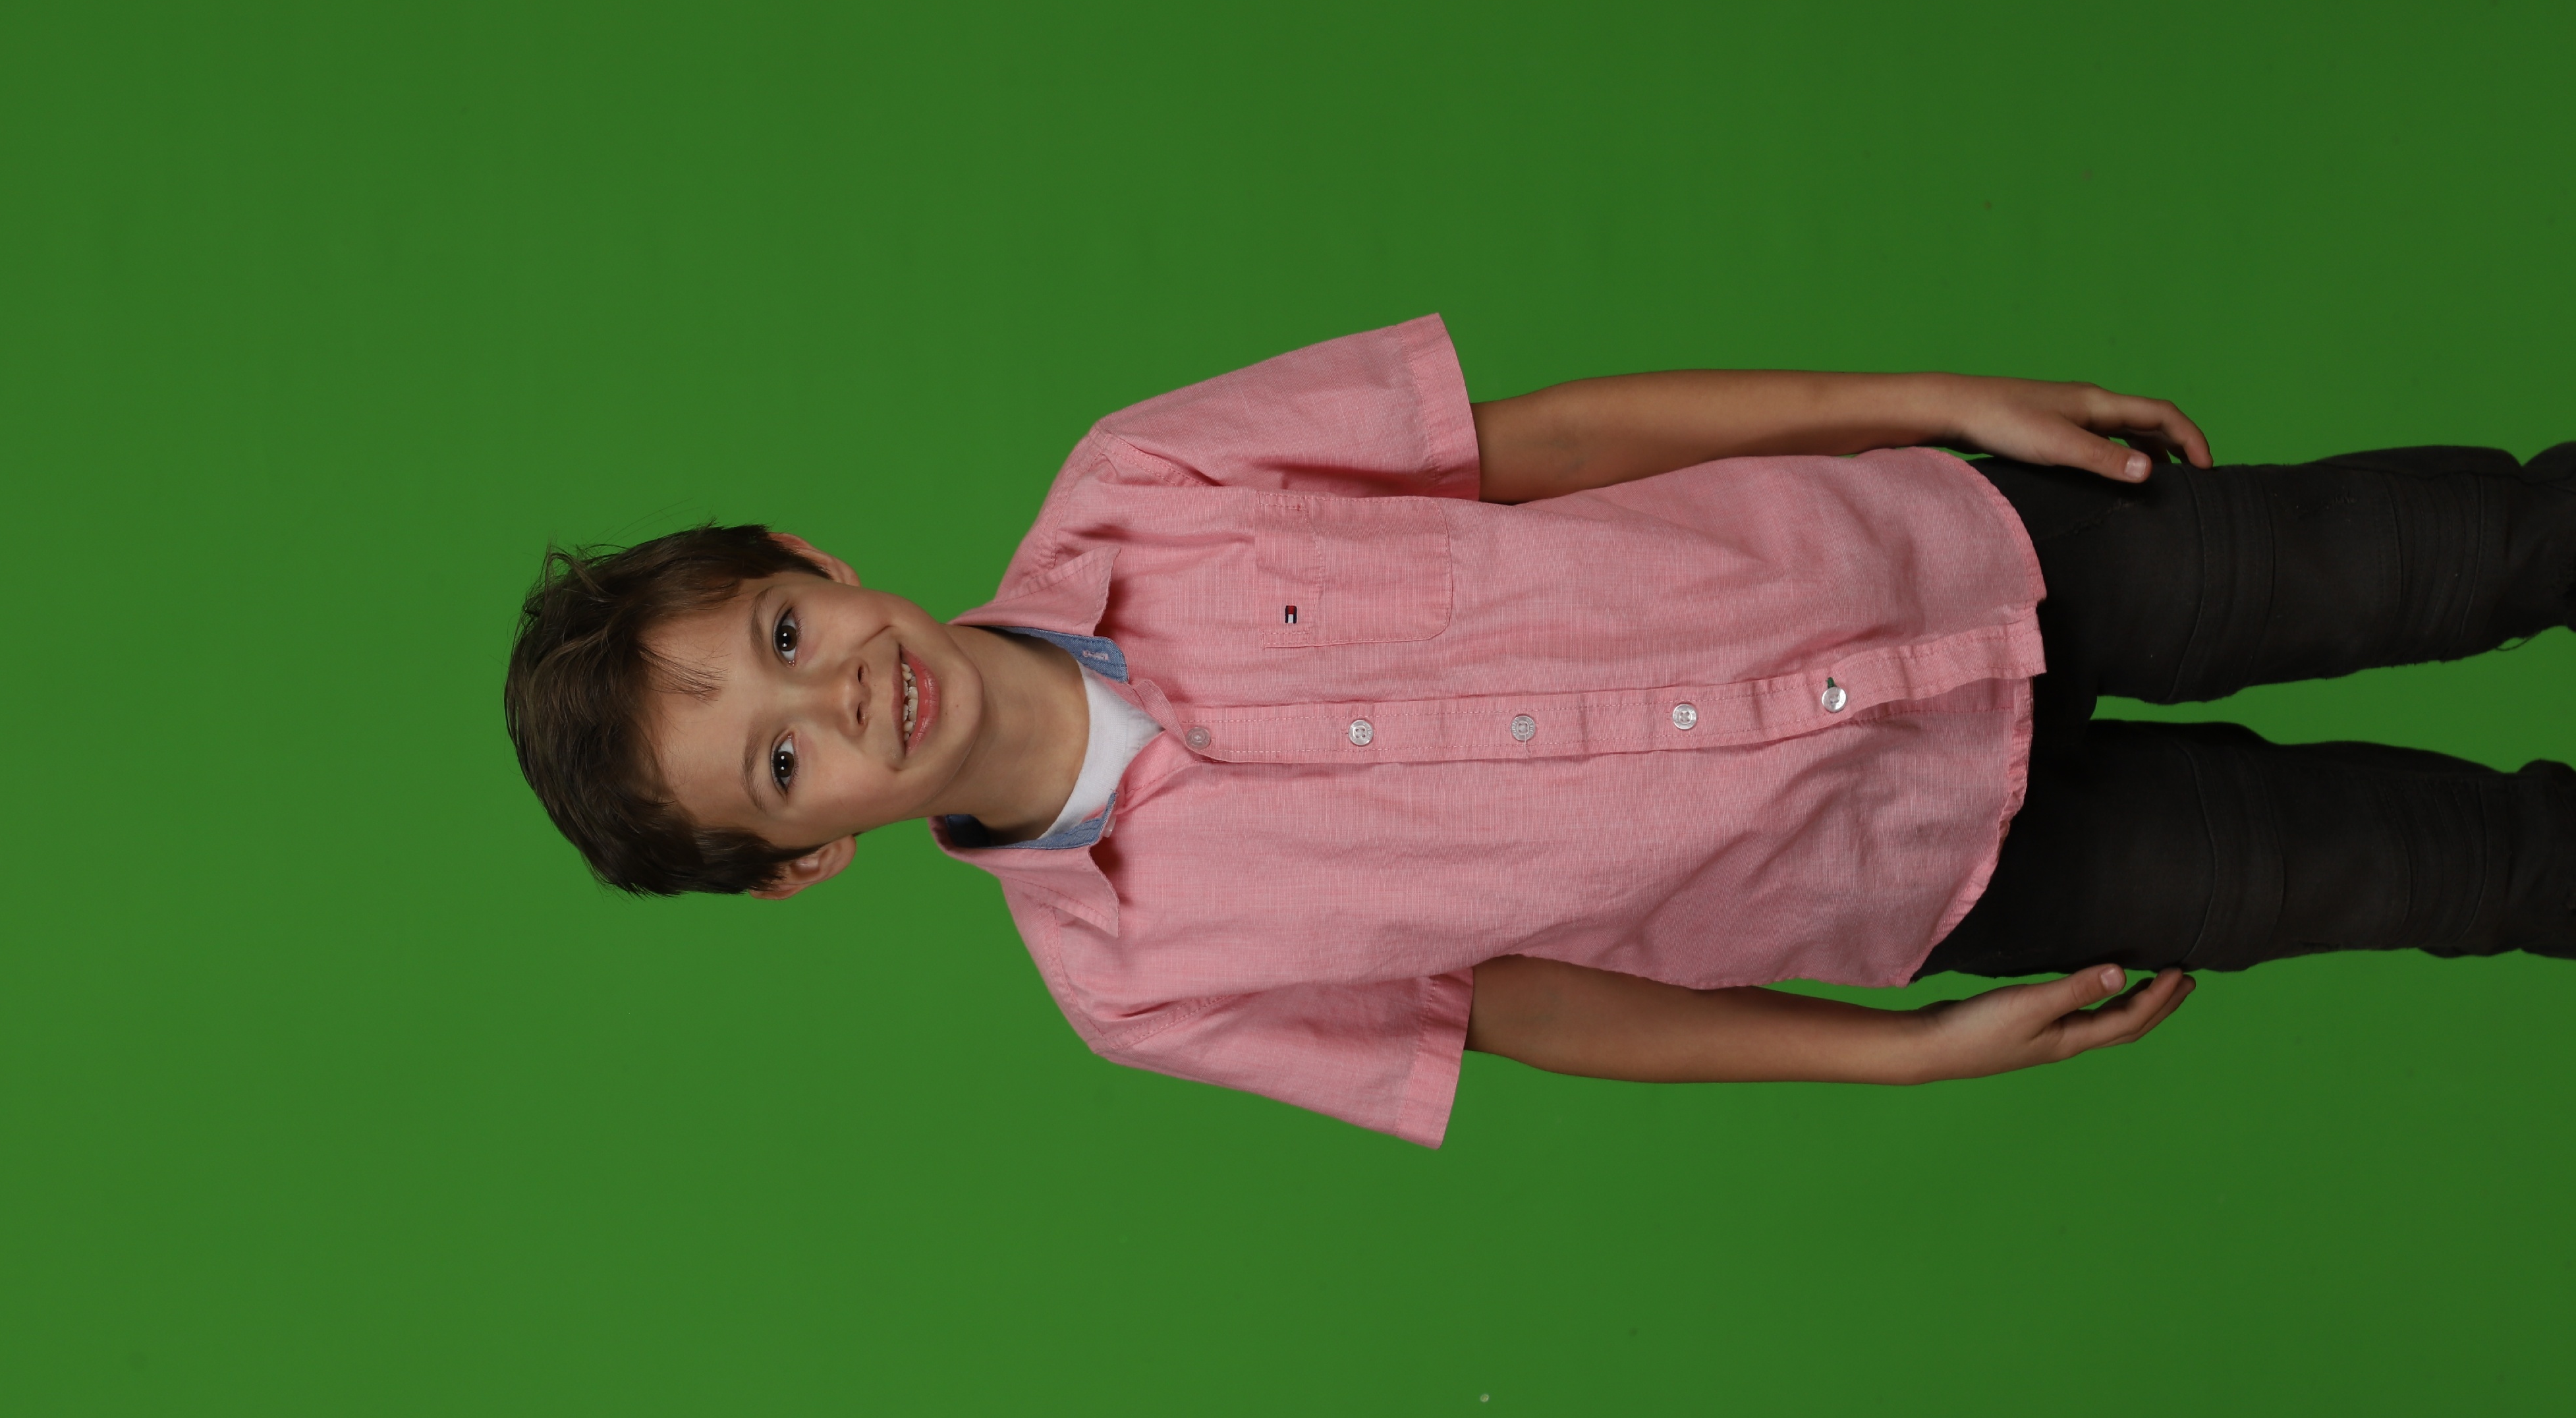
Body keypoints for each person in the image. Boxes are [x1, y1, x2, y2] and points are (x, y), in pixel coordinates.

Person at [503, 318, 2576, 1146]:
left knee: (2467, 548)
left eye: (785, 633)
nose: (839, 694)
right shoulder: (1138, 987)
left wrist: (1935, 400)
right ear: (806, 859)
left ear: (808, 555)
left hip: (1941, 553)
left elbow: (1550, 443)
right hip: (1926, 874)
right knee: (2461, 874)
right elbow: (1527, 1012)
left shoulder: (1143, 476)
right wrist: (1893, 1056)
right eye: (785, 761)